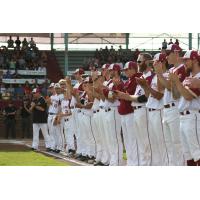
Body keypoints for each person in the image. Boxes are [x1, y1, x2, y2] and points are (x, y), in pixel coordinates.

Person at [154, 44, 185, 165]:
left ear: (176, 53)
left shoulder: (182, 69)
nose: (166, 57)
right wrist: (159, 73)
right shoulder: (172, 70)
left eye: (168, 54)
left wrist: (160, 74)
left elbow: (172, 89)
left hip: (175, 107)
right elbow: (161, 88)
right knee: (169, 144)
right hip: (166, 109)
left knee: (178, 144)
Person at [171, 50, 200, 166]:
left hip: (194, 117)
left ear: (195, 60)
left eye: (186, 60)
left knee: (197, 154)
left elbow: (188, 96)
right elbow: (176, 95)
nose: (184, 63)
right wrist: (174, 83)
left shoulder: (198, 78)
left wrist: (177, 82)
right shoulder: (188, 78)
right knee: (188, 156)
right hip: (183, 117)